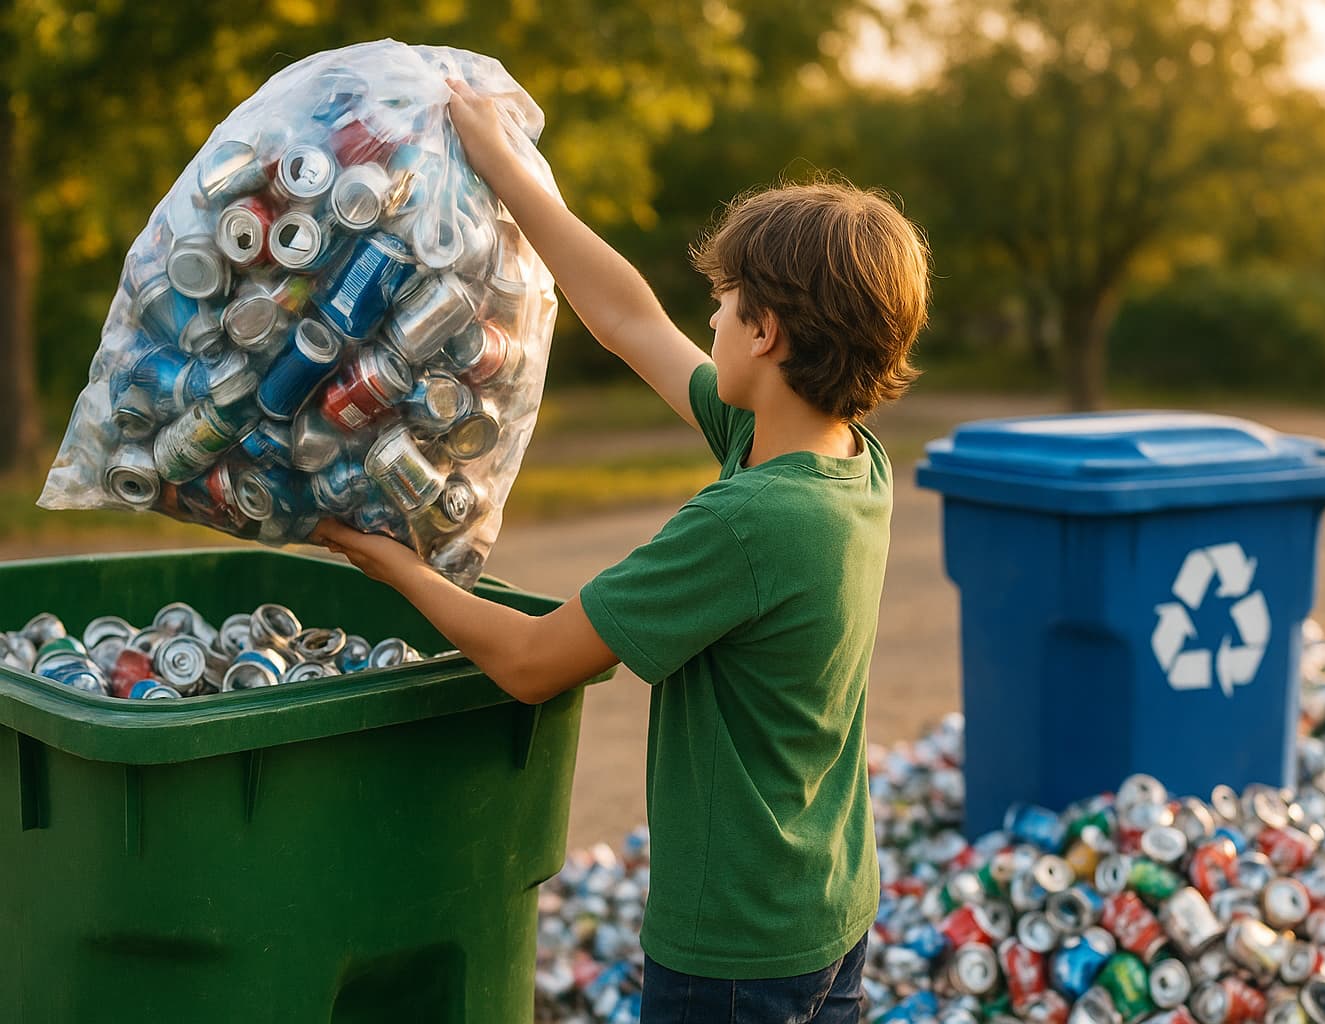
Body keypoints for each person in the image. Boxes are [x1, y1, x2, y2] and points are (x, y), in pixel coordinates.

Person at [313, 78, 930, 1022]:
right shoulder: (846, 458)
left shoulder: (751, 519)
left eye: (724, 305)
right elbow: (628, 318)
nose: (709, 320)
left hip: (735, 950)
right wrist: (508, 172)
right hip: (824, 908)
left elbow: (529, 664)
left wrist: (388, 560)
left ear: (766, 333)